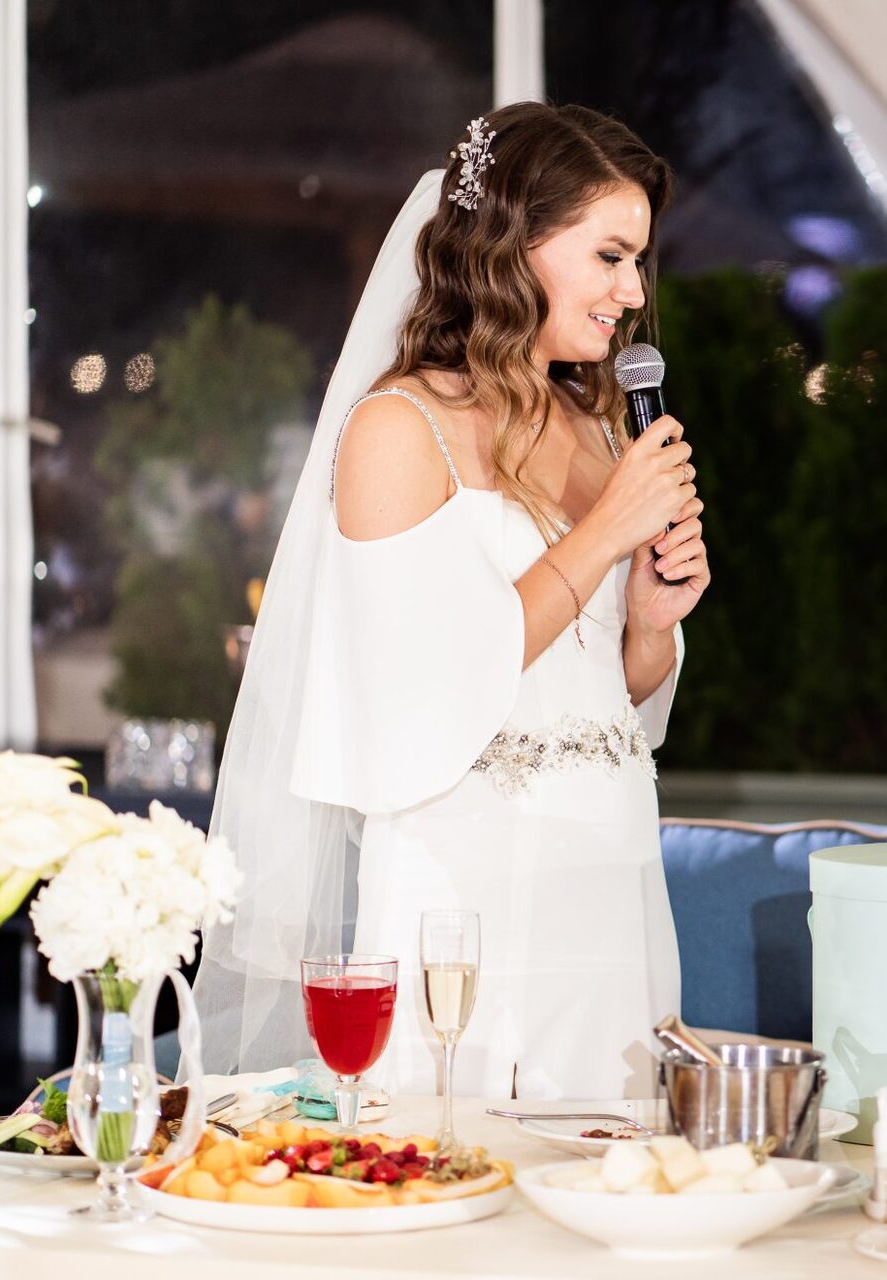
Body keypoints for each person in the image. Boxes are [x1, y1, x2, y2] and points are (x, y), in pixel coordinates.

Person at [194, 103, 709, 1101]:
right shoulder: (396, 430)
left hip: (609, 867)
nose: (631, 292)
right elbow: (420, 690)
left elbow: (614, 696)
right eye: (608, 255)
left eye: (637, 261)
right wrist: (607, 531)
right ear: (515, 245)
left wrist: (652, 618)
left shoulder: (595, 427)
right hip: (465, 882)